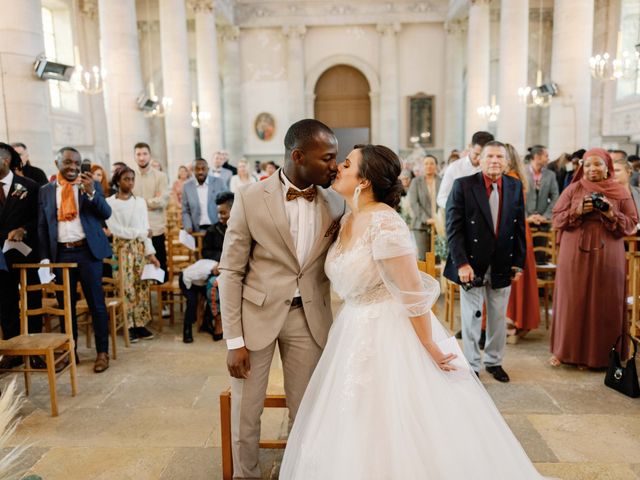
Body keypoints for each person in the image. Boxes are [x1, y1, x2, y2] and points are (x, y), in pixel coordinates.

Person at [280, 144, 545, 479]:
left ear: (363, 181)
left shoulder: (386, 224)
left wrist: (430, 345)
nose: (338, 168)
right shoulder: (348, 215)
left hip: (389, 331)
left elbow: (412, 293)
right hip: (352, 326)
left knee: (399, 419)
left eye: (347, 164)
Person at [219, 119, 345, 479]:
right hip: (255, 317)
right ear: (298, 156)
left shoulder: (336, 203)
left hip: (309, 317)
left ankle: (299, 472)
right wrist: (234, 340)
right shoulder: (249, 197)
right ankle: (247, 476)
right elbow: (230, 272)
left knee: (306, 409)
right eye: (327, 158)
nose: (334, 166)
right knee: (247, 410)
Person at [444, 141, 526, 381]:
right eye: (490, 156)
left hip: (502, 263)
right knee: (471, 317)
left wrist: (518, 262)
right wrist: (461, 263)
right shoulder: (464, 185)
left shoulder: (514, 186)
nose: (495, 161)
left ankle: (494, 361)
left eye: (500, 157)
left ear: (507, 161)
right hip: (471, 263)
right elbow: (453, 228)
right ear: (479, 159)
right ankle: (472, 364)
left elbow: (519, 227)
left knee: (499, 317)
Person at [550, 148, 638, 368]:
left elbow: (631, 223)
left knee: (605, 300)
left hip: (609, 251)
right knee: (572, 299)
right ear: (582, 167)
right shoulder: (573, 189)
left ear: (607, 166)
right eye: (587, 165)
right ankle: (565, 351)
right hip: (574, 251)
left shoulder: (619, 191)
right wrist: (577, 211)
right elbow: (557, 220)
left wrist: (611, 213)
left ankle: (602, 355)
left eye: (597, 164)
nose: (592, 169)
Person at [38, 147, 112, 373]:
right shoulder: (46, 191)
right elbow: (42, 226)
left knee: (96, 305)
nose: (72, 167)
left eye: (77, 163)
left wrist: (91, 193)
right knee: (66, 306)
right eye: (68, 162)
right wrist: (44, 259)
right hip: (61, 254)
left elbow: (106, 213)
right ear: (57, 162)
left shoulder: (90, 184)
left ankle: (102, 352)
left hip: (88, 253)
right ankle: (71, 350)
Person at [0, 144, 44, 370]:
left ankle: (36, 348)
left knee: (32, 299)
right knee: (5, 303)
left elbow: (39, 219)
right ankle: (13, 350)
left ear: (5, 160)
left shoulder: (29, 186)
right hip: (0, 258)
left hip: (24, 253)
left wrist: (23, 230)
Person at [106, 166, 160, 343]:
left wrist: (151, 253)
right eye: (125, 179)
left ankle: (140, 324)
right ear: (117, 181)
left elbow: (145, 229)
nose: (129, 182)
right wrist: (140, 232)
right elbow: (115, 229)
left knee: (140, 287)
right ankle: (128, 325)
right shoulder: (110, 203)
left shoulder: (140, 202)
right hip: (120, 249)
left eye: (132, 179)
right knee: (125, 286)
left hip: (139, 249)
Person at [180, 191, 234, 343]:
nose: (220, 217)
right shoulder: (212, 230)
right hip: (217, 269)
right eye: (219, 213)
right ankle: (217, 321)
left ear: (233, 210)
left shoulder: (241, 228)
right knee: (213, 284)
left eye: (224, 213)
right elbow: (206, 252)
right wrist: (223, 260)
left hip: (238, 270)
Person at [504, 144, 540, 335]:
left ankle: (512, 321)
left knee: (513, 278)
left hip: (510, 231)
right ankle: (517, 320)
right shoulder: (518, 178)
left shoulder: (510, 179)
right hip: (520, 229)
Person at [131, 142, 169, 274]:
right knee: (138, 269)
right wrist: (151, 201)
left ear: (150, 155)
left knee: (159, 267)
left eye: (145, 154)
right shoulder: (130, 176)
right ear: (134, 157)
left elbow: (162, 200)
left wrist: (138, 202)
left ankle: (162, 294)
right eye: (138, 154)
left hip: (155, 227)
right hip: (135, 228)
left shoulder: (160, 176)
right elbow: (127, 202)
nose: (142, 157)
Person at [437, 131, 495, 210]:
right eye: (476, 154)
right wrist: (457, 207)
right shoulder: (454, 168)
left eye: (483, 155)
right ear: (470, 146)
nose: (479, 159)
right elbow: (441, 198)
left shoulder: (492, 169)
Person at [181, 158, 227, 233]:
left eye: (203, 169)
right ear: (192, 170)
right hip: (196, 229)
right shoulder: (187, 186)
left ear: (208, 169)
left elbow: (227, 204)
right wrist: (188, 226)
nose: (200, 172)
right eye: (197, 169)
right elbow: (185, 210)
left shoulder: (219, 182)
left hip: (218, 227)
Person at [408, 154, 440, 259]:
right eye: (426, 163)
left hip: (439, 225)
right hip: (421, 225)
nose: (429, 166)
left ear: (436, 166)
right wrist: (427, 219)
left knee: (438, 257)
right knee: (424, 258)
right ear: (422, 166)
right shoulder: (416, 182)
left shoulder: (442, 181)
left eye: (432, 163)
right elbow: (414, 203)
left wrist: (439, 219)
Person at [524, 145, 559, 226]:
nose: (548, 159)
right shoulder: (521, 173)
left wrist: (545, 216)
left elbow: (555, 197)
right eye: (546, 156)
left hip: (544, 221)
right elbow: (516, 199)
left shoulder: (551, 175)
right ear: (537, 157)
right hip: (524, 220)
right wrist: (526, 217)